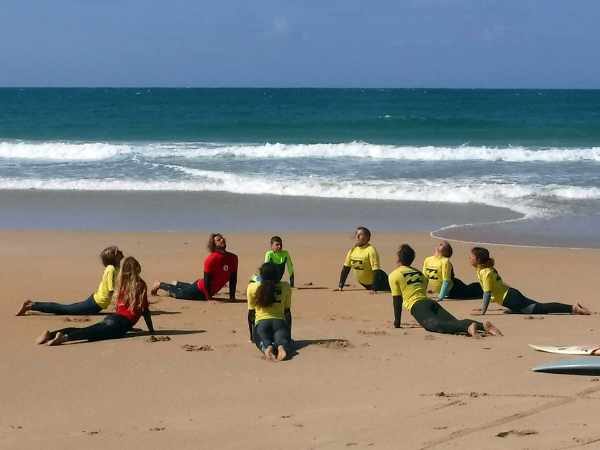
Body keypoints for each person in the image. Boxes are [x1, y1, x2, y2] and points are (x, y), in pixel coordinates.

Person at [35, 256, 154, 346]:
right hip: (121, 324)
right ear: (137, 269)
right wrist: (151, 331)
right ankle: (64, 338)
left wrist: (128, 327)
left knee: (89, 329)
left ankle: (51, 334)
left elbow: (120, 309)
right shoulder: (140, 285)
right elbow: (145, 311)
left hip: (113, 319)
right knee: (92, 333)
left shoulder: (121, 283)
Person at [389, 244, 501, 337]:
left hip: (417, 306)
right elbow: (423, 287)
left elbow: (397, 301)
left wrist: (397, 323)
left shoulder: (394, 275)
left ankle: (468, 327)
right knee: (453, 322)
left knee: (433, 325)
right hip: (430, 302)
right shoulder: (419, 274)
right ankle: (483, 326)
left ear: (398, 258)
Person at [470, 247, 591, 316]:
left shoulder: (485, 272)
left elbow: (487, 293)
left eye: (471, 257)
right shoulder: (483, 269)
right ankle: (573, 307)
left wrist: (483, 312)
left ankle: (573, 308)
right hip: (512, 296)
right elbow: (498, 286)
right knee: (539, 307)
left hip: (512, 299)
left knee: (542, 309)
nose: (469, 259)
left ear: (479, 260)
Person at [16, 246, 123, 316]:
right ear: (113, 258)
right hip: (95, 303)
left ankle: (32, 305)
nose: (121, 252)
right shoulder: (111, 269)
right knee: (65, 309)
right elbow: (110, 290)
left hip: (96, 301)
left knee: (67, 308)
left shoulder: (115, 268)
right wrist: (117, 305)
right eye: (117, 252)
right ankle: (31, 305)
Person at [151, 233, 238, 301]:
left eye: (222, 238)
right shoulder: (211, 259)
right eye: (218, 240)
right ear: (214, 245)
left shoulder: (233, 258)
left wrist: (232, 297)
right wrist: (209, 299)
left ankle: (178, 283)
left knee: (187, 288)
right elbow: (207, 280)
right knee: (178, 294)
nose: (222, 240)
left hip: (207, 288)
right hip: (200, 290)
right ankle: (160, 284)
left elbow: (233, 279)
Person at [247, 263, 292, 361]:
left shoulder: (252, 287)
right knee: (282, 340)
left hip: (262, 324)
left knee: (264, 340)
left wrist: (252, 337)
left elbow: (251, 315)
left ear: (261, 275)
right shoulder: (285, 286)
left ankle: (268, 348)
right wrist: (289, 333)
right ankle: (281, 348)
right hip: (280, 323)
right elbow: (287, 312)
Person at [337, 226, 390, 292]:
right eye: (356, 234)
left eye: (360, 235)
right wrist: (340, 286)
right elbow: (345, 269)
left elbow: (376, 271)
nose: (357, 236)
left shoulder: (371, 250)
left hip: (381, 281)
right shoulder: (352, 250)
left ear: (367, 238)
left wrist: (374, 289)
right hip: (365, 284)